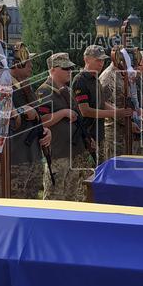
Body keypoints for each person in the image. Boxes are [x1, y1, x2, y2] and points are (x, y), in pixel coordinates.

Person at [36, 53, 93, 201]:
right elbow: (39, 122)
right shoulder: (44, 92)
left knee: (72, 196)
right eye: (65, 68)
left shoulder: (67, 91)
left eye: (70, 68)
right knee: (54, 197)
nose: (69, 71)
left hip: (74, 152)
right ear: (53, 69)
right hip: (58, 154)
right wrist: (62, 113)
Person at [72, 45, 130, 165]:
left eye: (103, 60)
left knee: (101, 169)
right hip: (86, 135)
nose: (101, 63)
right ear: (87, 59)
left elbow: (101, 102)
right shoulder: (80, 80)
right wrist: (116, 113)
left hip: (99, 133)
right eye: (98, 60)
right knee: (88, 174)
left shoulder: (95, 79)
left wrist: (120, 111)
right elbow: (86, 111)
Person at [9, 48, 51, 199]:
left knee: (32, 202)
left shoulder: (26, 86)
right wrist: (21, 110)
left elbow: (37, 115)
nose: (31, 66)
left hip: (32, 155)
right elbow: (2, 114)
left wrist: (45, 130)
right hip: (16, 159)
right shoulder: (4, 87)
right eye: (28, 62)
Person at [100, 51, 143, 159]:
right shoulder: (107, 77)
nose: (135, 68)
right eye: (132, 64)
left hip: (134, 132)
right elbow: (104, 105)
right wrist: (128, 123)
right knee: (119, 171)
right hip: (117, 135)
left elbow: (136, 102)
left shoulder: (127, 74)